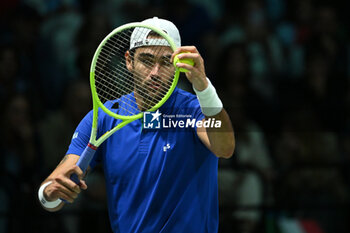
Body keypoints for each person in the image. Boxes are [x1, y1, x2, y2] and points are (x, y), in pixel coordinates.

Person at [38, 17, 235, 233]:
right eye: (147, 61)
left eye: (166, 62)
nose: (155, 73)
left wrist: (204, 87)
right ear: (129, 61)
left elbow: (224, 148)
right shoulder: (103, 118)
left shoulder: (194, 111)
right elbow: (54, 191)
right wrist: (49, 193)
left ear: (178, 66)